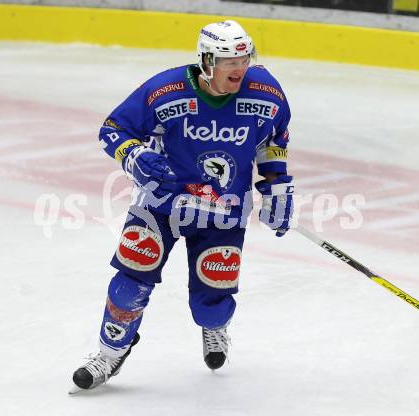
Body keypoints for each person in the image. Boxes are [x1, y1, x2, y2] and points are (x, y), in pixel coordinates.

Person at [71, 20, 294, 392]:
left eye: (244, 58)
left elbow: (272, 140)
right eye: (227, 61)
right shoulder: (167, 90)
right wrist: (134, 156)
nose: (239, 68)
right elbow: (114, 129)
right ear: (207, 61)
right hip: (160, 204)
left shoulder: (266, 92)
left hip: (224, 210)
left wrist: (276, 186)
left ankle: (214, 326)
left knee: (214, 294)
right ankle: (111, 352)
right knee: (131, 280)